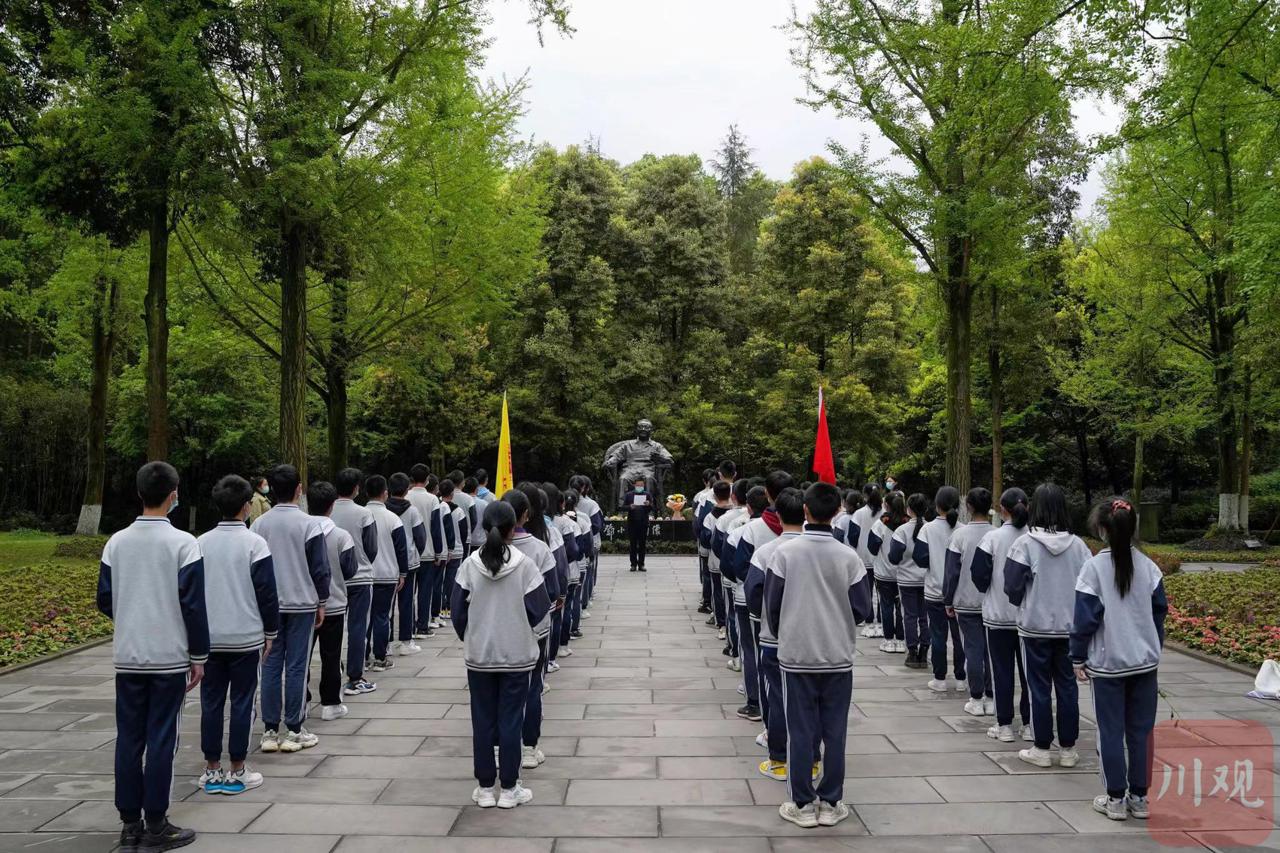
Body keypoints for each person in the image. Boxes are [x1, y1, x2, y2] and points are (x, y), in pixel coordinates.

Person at [98, 461, 208, 852]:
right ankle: (157, 824)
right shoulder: (183, 543)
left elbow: (105, 599)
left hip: (128, 655)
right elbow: (194, 606)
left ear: (139, 493)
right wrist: (199, 655)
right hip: (168, 656)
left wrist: (132, 619)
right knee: (162, 739)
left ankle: (130, 824)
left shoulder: (116, 542)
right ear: (174, 494)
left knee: (128, 738)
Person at [765, 482, 873, 828]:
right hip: (838, 655)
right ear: (839, 510)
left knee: (800, 730)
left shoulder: (786, 553)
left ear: (806, 511)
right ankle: (831, 801)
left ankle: (801, 803)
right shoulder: (848, 556)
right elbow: (862, 608)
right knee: (835, 732)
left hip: (796, 655)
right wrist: (838, 621)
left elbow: (773, 604)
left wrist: (793, 627)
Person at [452, 499, 551, 810]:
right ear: (514, 526)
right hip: (517, 655)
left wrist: (473, 636)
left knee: (482, 721)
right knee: (511, 720)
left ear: (485, 527)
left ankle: (484, 788)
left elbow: (457, 611)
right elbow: (539, 609)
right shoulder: (524, 564)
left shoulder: (469, 565)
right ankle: (509, 788)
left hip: (479, 656)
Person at [1073, 497, 1168, 821]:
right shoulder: (1149, 567)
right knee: (1141, 732)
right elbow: (1159, 614)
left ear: (1101, 530)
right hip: (1145, 663)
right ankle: (1140, 799)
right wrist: (1153, 644)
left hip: (1108, 664)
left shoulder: (1093, 569)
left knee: (1110, 731)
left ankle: (1115, 799)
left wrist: (1077, 657)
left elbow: (1085, 619)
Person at [196, 475, 278, 796]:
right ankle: (238, 769)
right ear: (247, 507)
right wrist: (271, 631)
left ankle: (211, 769)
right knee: (243, 702)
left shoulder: (199, 542)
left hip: (210, 638)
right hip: (245, 637)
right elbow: (267, 594)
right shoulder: (255, 544)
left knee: (211, 703)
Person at [1004, 482, 1093, 769]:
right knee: (1067, 687)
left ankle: (1041, 747)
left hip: (1035, 627)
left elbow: (1012, 587)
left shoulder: (1025, 544)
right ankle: (1068, 749)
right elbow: (1090, 589)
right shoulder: (1079, 546)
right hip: (1070, 629)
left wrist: (1027, 600)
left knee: (1038, 687)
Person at [251, 463, 328, 753]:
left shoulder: (259, 524)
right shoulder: (310, 524)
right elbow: (319, 569)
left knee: (270, 665)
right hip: (302, 603)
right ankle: (294, 728)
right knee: (297, 665)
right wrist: (322, 601)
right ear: (299, 489)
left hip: (270, 605)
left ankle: (270, 730)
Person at [746, 486, 804, 780]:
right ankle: (813, 762)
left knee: (779, 697)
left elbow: (754, 593)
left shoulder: (767, 552)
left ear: (777, 515)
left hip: (774, 638)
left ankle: (779, 760)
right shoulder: (837, 550)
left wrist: (766, 619)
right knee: (811, 701)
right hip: (814, 640)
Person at [972, 487, 1033, 741]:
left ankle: (1004, 725)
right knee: (1030, 676)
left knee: (1001, 672)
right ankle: (1030, 725)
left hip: (998, 615)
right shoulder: (1035, 537)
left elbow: (979, 575)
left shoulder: (992, 539)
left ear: (1001, 509)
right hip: (1028, 619)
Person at [506, 485, 559, 769]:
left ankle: (499, 748)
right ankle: (528, 748)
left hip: (495, 634)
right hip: (533, 630)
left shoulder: (480, 554)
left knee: (496, 692)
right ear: (526, 515)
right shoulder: (539, 548)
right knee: (531, 687)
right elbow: (552, 590)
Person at [943, 487, 995, 715]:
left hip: (966, 601)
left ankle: (976, 698)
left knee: (972, 649)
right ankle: (992, 697)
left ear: (968, 507)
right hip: (993, 604)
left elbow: (951, 572)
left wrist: (948, 600)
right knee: (991, 652)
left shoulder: (959, 535)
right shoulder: (996, 533)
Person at [308, 481, 356, 722]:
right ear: (332, 505)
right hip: (334, 602)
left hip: (304, 604)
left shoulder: (301, 531)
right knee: (332, 655)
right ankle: (330, 703)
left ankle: (301, 699)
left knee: (301, 656)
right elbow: (350, 569)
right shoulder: (340, 535)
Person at [331, 468, 379, 696]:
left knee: (334, 627)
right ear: (356, 488)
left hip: (332, 578)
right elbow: (371, 547)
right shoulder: (363, 513)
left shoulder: (325, 511)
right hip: (359, 577)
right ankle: (355, 676)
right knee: (358, 627)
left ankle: (335, 667)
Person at [915, 485, 966, 693]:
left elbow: (920, 558)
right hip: (958, 594)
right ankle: (962, 678)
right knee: (959, 637)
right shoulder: (963, 530)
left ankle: (940, 678)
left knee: (938, 635)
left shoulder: (927, 529)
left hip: (935, 590)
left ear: (937, 506)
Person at [364, 475, 409, 673]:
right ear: (385, 493)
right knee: (382, 616)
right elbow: (401, 549)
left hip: (363, 576)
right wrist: (403, 572)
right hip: (387, 574)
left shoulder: (361, 514)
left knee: (362, 619)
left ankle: (363, 657)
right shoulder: (393, 518)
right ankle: (381, 657)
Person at [387, 473, 427, 657]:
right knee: (406, 601)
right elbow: (420, 537)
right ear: (406, 490)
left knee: (387, 606)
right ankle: (405, 641)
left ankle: (385, 643)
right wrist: (416, 553)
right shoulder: (412, 511)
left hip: (386, 562)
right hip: (409, 562)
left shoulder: (382, 510)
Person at [888, 493, 929, 668]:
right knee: (924, 617)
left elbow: (894, 557)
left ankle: (912, 653)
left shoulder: (902, 530)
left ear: (908, 509)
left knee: (910, 616)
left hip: (906, 580)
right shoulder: (930, 528)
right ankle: (925, 652)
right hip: (927, 580)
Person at [407, 465, 443, 636]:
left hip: (408, 552)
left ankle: (408, 627)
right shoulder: (432, 500)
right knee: (425, 591)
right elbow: (436, 528)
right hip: (428, 552)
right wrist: (439, 551)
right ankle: (422, 625)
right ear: (428, 479)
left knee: (408, 593)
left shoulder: (405, 496)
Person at [870, 491, 907, 653]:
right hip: (904, 573)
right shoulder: (909, 522)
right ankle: (900, 640)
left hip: (884, 572)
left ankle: (888, 640)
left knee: (886, 605)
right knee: (901, 607)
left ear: (886, 505)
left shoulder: (880, 524)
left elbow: (872, 546)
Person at [849, 485, 882, 639]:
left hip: (863, 558)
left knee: (867, 591)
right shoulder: (886, 513)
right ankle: (882, 622)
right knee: (883, 594)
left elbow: (852, 535)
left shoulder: (859, 513)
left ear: (865, 495)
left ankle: (869, 621)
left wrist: (858, 548)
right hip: (882, 560)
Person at [701, 479, 733, 635]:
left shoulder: (710, 517)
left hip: (716, 561)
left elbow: (706, 539)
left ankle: (722, 625)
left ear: (714, 495)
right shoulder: (737, 516)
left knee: (718, 592)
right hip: (734, 563)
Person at [692, 468, 717, 613]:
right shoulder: (733, 491)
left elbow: (697, 520)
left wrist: (701, 538)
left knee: (707, 570)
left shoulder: (702, 497)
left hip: (706, 542)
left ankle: (706, 598)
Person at [623, 475, 654, 571]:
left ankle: (641, 564)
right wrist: (629, 507)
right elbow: (622, 507)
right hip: (632, 522)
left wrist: (649, 505)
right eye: (638, 485)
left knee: (642, 544)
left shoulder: (647, 495)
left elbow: (652, 508)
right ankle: (633, 564)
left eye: (641, 485)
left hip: (643, 522)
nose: (640, 487)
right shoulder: (629, 495)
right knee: (633, 544)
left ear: (644, 485)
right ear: (634, 485)